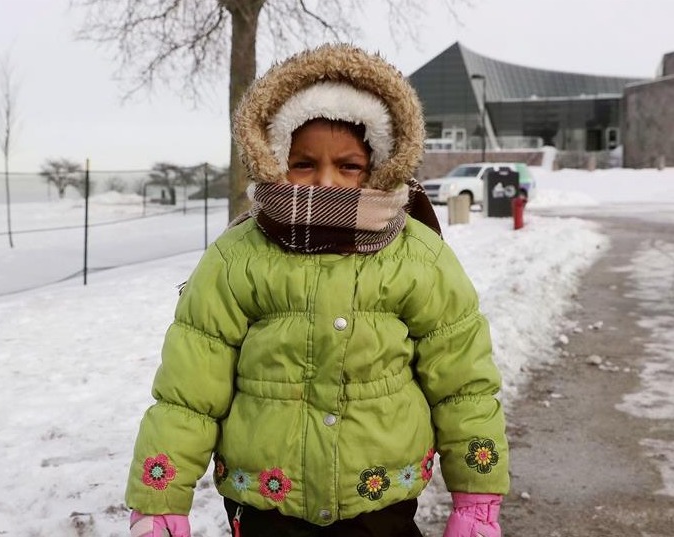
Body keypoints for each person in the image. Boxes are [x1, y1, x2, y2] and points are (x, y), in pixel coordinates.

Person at [125, 44, 509, 537]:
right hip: (267, 503)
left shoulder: (417, 256)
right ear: (272, 159)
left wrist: (476, 496)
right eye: (303, 164)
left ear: (382, 163)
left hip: (380, 501)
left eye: (349, 165)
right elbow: (188, 394)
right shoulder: (236, 257)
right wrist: (161, 500)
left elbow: (463, 385)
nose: (325, 182)